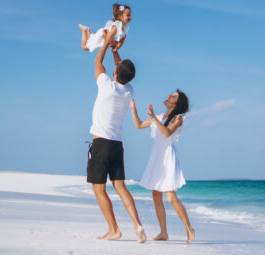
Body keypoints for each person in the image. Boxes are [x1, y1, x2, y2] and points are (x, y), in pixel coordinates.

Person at [86, 24, 146, 243]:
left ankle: (114, 229)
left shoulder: (106, 86)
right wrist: (114, 50)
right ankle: (137, 224)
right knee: (120, 187)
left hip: (101, 144)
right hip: (117, 145)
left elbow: (96, 62)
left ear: (115, 72)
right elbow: (118, 69)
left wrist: (109, 37)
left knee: (99, 190)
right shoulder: (128, 91)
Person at [129, 90, 195, 243]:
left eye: (173, 96)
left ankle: (189, 228)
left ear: (177, 103)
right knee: (156, 196)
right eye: (170, 94)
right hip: (156, 157)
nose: (168, 96)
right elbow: (138, 125)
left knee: (171, 198)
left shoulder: (178, 118)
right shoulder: (158, 117)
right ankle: (163, 232)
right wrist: (133, 107)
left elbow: (166, 133)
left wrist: (154, 119)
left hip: (168, 158)